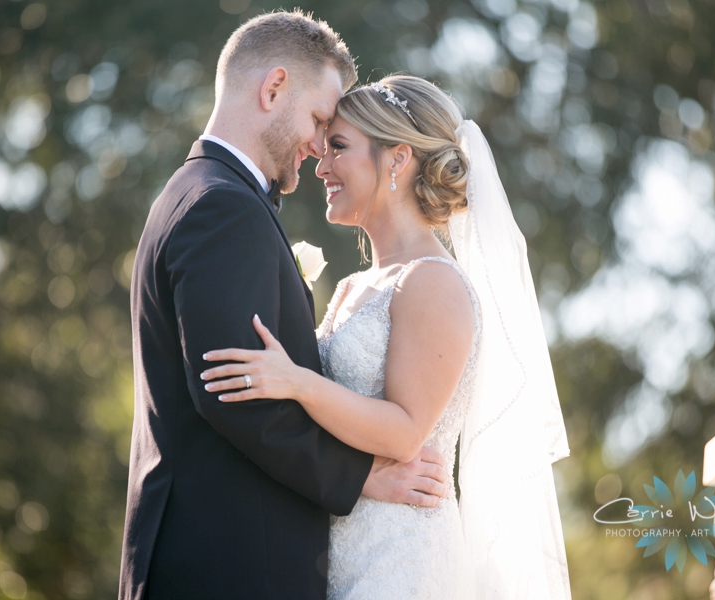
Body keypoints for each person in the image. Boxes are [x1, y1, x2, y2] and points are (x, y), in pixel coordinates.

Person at [119, 14, 450, 600]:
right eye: (320, 121)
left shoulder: (198, 193)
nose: (319, 146)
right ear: (273, 89)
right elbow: (235, 394)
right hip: (226, 563)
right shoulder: (222, 206)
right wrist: (363, 477)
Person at [203, 75, 573, 599]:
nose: (321, 164)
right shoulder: (354, 285)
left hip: (401, 556)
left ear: (397, 159)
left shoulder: (433, 281)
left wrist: (297, 383)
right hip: (337, 545)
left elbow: (404, 432)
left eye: (338, 147)